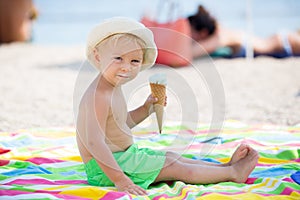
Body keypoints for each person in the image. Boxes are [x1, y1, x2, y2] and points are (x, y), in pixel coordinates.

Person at [76, 17, 259, 196]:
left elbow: (119, 124)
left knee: (171, 157)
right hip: (105, 169)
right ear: (98, 57)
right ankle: (234, 174)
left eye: (134, 61)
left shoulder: (112, 86)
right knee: (176, 168)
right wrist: (120, 179)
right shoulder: (98, 96)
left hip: (124, 157)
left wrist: (146, 109)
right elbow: (94, 143)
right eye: (118, 58)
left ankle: (225, 168)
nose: (127, 67)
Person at [188, 5, 300, 58]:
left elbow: (190, 54)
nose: (188, 35)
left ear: (203, 32)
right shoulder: (221, 33)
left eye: (190, 31)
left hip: (283, 43)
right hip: (281, 43)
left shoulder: (221, 37)